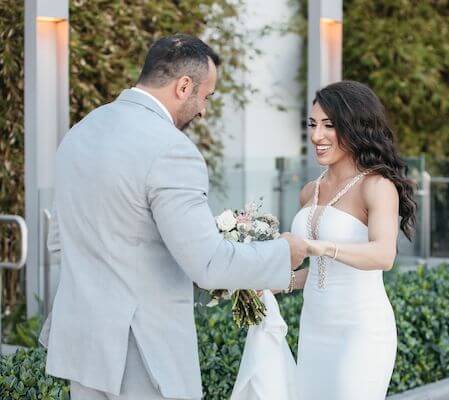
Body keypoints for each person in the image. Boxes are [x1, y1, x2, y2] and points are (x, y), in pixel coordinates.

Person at [39, 34, 308, 400]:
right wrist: (283, 253)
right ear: (184, 86)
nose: (203, 110)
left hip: (83, 346)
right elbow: (208, 263)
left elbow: (59, 242)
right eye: (206, 96)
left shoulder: (80, 133)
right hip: (143, 355)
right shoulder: (172, 150)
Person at [289, 80, 417, 399]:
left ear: (354, 127)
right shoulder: (309, 191)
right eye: (313, 124)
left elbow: (383, 255)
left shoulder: (376, 186)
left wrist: (318, 247)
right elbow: (320, 274)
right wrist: (265, 280)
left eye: (329, 126)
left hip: (361, 331)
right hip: (314, 330)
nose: (317, 136)